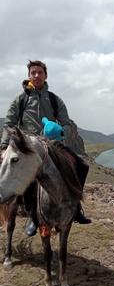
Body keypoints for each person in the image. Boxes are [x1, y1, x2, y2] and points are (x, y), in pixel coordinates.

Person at [1, 60, 91, 236]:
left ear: (45, 75)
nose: (36, 75)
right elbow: (9, 123)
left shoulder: (55, 100)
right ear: (29, 76)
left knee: (80, 165)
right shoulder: (21, 99)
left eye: (40, 72)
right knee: (30, 178)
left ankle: (76, 208)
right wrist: (4, 145)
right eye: (33, 72)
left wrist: (61, 132)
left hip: (53, 145)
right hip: (28, 146)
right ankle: (34, 217)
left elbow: (67, 123)